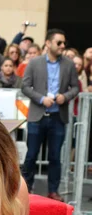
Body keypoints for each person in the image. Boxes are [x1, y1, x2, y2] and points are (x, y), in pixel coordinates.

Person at [21, 29, 79, 201]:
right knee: (31, 155)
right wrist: (41, 99)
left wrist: (65, 97)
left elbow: (75, 87)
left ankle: (53, 190)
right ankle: (26, 189)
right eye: (59, 42)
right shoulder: (35, 63)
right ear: (48, 43)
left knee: (55, 156)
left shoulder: (68, 64)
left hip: (57, 118)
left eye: (63, 43)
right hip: (37, 116)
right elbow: (25, 87)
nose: (62, 46)